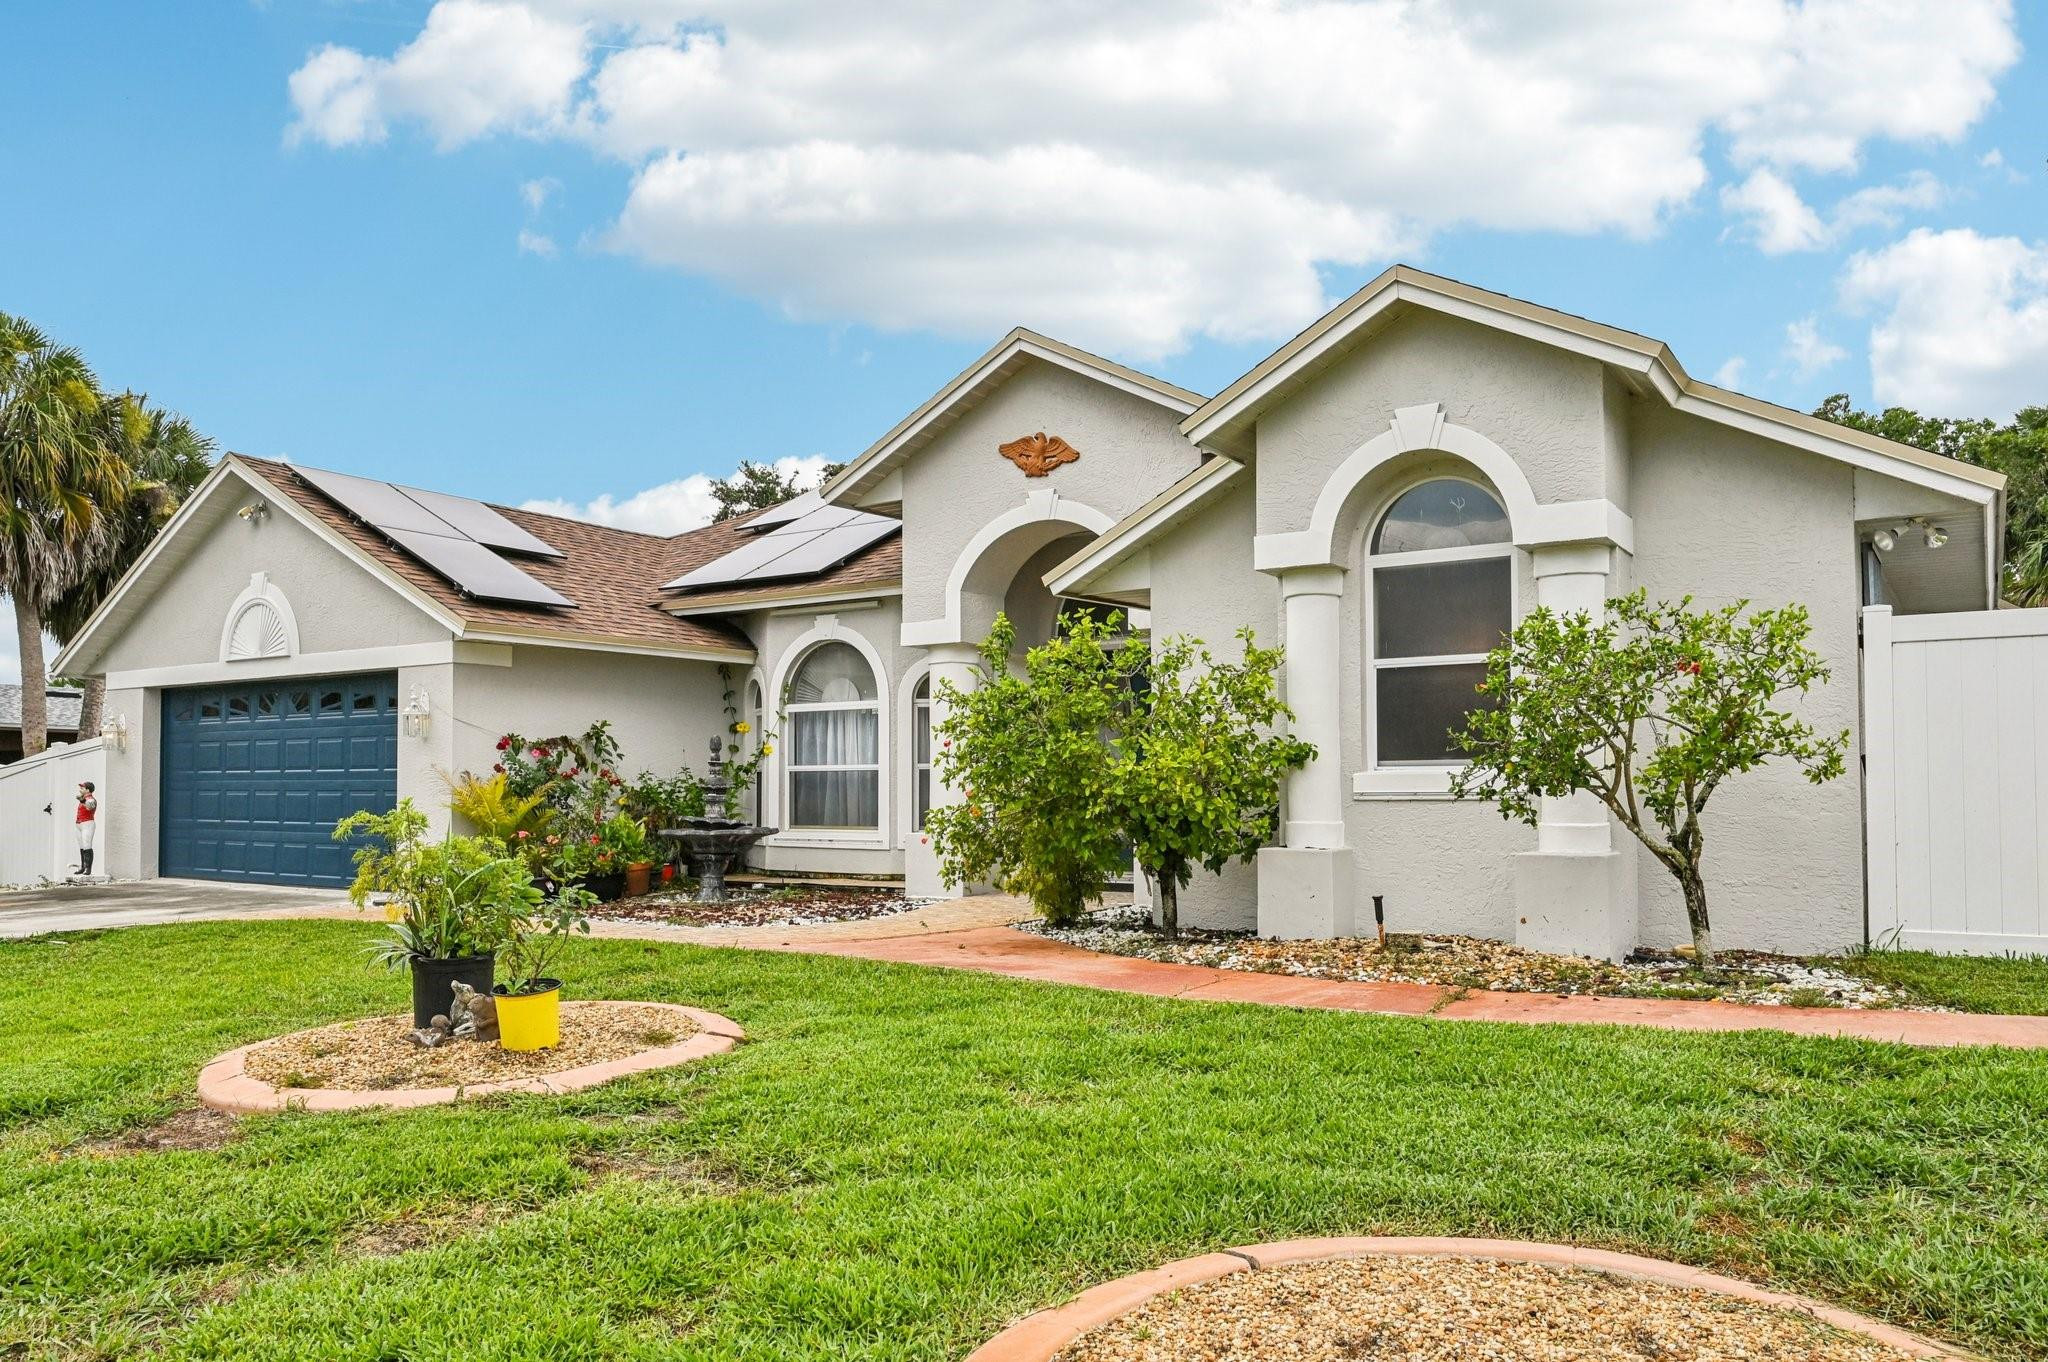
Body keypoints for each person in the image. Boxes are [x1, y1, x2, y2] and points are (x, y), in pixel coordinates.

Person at [75, 781, 98, 877]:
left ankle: (88, 868)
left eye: (82, 788)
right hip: (79, 824)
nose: (80, 789)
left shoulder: (91, 799)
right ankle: (83, 866)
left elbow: (90, 806)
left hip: (87, 823)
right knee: (82, 846)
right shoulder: (84, 798)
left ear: (88, 790)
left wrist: (82, 801)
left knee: (87, 845)